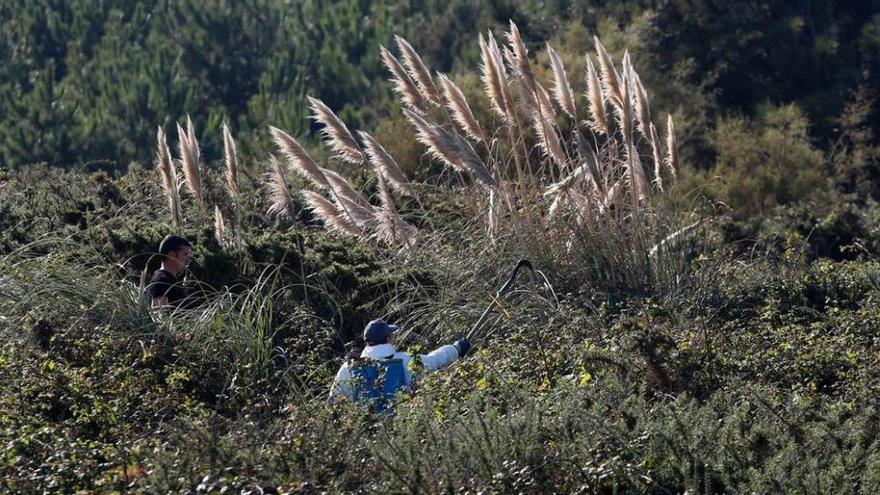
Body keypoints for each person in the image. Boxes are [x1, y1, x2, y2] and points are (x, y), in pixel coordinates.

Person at [329, 319, 471, 409]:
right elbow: (434, 360)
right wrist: (457, 348)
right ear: (388, 338)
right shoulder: (404, 360)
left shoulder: (349, 368)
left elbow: (332, 402)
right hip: (399, 426)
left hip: (365, 429)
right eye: (392, 335)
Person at [147, 234, 194, 310]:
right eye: (185, 254)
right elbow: (160, 318)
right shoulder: (160, 282)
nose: (189, 259)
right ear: (171, 255)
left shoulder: (172, 280)